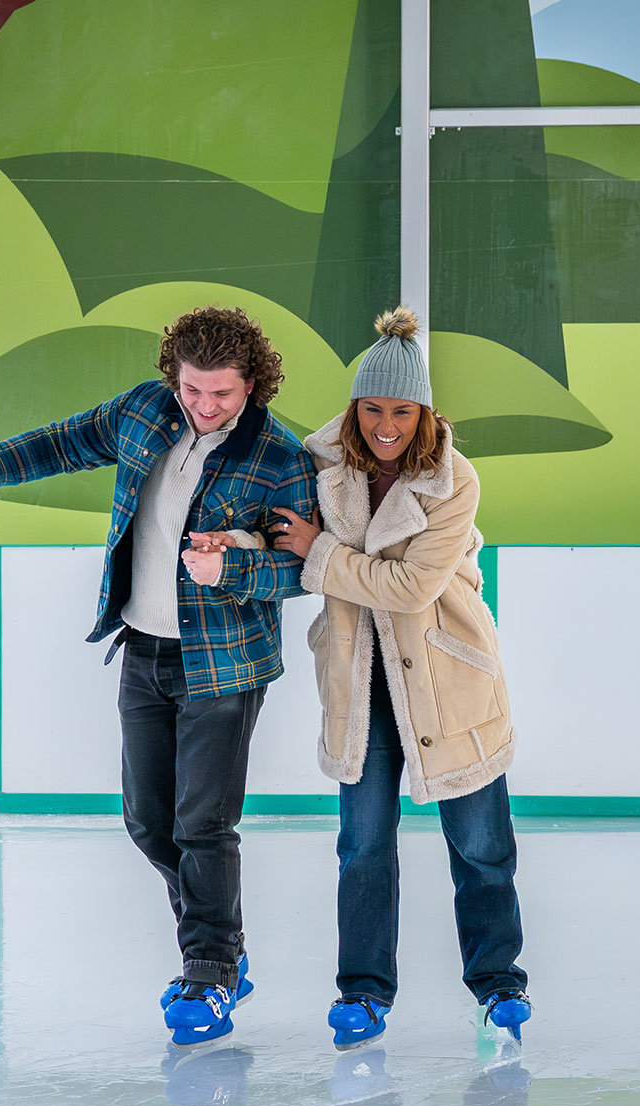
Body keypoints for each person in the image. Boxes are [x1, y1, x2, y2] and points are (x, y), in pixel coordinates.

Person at [0, 306, 316, 1048]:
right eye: (194, 390)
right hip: (144, 649)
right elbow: (61, 443)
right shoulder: (144, 410)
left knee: (203, 823)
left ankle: (206, 968)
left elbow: (300, 570)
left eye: (222, 395)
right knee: (146, 820)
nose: (205, 407)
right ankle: (225, 951)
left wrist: (232, 567)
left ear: (253, 386)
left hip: (226, 664)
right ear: (174, 375)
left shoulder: (279, 455)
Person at [204, 306, 530, 1050]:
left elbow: (412, 589)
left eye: (404, 411)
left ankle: (499, 985)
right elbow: (277, 530)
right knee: (364, 846)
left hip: (450, 682)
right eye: (375, 409)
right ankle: (363, 993)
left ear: (425, 413)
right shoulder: (320, 465)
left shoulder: (454, 482)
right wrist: (239, 541)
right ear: (355, 409)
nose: (388, 425)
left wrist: (323, 555)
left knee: (480, 846)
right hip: (361, 686)